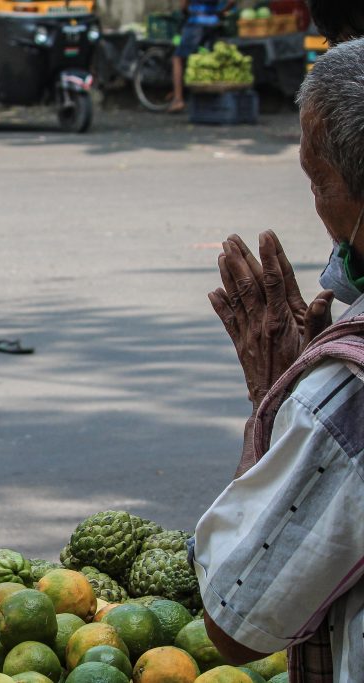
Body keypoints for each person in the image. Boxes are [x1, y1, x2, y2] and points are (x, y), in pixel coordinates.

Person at [192, 38, 364, 682]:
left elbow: (237, 621)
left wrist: (274, 407)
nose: (318, 207)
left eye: (317, 180)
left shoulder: (344, 397)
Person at [169, 0, 235, 113]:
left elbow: (183, 4)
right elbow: (232, 2)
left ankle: (178, 99)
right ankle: (212, 100)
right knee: (209, 59)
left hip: (196, 22)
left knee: (178, 58)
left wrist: (185, 10)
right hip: (214, 23)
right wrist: (221, 11)